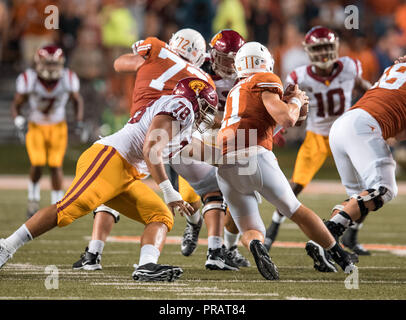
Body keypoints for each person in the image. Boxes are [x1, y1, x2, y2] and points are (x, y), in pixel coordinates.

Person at [0, 77, 219, 283]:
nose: (208, 116)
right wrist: (169, 190)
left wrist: (237, 156)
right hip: (110, 158)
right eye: (207, 108)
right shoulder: (181, 106)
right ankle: (6, 247)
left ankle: (146, 265)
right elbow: (151, 149)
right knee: (70, 208)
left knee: (160, 216)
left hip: (128, 173)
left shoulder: (183, 121)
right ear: (195, 99)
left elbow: (200, 151)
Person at [71, 28, 216, 271]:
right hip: (178, 133)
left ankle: (94, 253)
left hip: (145, 127)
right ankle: (194, 222)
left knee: (114, 185)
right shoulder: (204, 79)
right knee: (191, 192)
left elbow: (120, 64)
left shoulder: (158, 49)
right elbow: (209, 116)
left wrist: (145, 63)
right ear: (200, 56)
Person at [216, 41, 358, 280]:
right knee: (294, 209)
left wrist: (296, 107)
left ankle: (256, 247)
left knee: (251, 229)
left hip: (225, 164)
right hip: (255, 154)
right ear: (265, 62)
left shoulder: (235, 91)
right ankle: (340, 255)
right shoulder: (265, 78)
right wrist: (294, 103)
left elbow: (285, 119)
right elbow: (287, 120)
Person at [264, 26, 371, 255]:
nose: (323, 53)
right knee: (294, 186)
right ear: (309, 51)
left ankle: (351, 235)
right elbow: (284, 105)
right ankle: (271, 231)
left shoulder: (349, 67)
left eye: (326, 47)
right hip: (316, 136)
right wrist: (277, 127)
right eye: (318, 48)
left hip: (344, 135)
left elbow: (364, 88)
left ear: (335, 48)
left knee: (366, 190)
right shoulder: (298, 76)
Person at [305, 56, 406, 272]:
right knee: (384, 189)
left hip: (345, 123)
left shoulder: (396, 68)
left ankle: (325, 247)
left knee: (359, 198)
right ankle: (326, 234)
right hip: (364, 126)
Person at [176, 29, 251, 269]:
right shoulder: (198, 68)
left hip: (233, 138)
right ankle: (193, 222)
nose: (229, 64)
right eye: (224, 58)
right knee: (189, 198)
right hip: (198, 135)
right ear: (211, 54)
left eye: (233, 58)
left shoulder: (249, 74)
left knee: (237, 195)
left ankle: (227, 248)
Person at [10, 45, 84, 218]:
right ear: (38, 63)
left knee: (55, 164)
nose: (51, 68)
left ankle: (57, 204)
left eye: (54, 64)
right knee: (37, 163)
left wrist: (79, 121)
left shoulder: (68, 78)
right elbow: (16, 103)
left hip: (58, 126)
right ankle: (33, 199)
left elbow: (77, 100)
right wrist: (18, 118)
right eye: (47, 63)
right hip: (36, 126)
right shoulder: (29, 79)